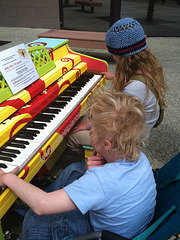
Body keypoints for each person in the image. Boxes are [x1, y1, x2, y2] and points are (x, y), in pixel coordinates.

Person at [0, 91, 156, 240]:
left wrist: (7, 178)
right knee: (76, 169)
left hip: (99, 235)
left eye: (92, 130)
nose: (89, 133)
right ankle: (38, 196)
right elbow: (107, 186)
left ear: (106, 144)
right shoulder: (140, 158)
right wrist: (92, 173)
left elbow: (42, 205)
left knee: (36, 216)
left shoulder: (101, 181)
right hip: (126, 230)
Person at [65, 17, 168, 154]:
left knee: (71, 135)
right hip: (136, 128)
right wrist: (115, 77)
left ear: (119, 55)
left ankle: (98, 161)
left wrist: (90, 125)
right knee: (85, 118)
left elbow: (117, 124)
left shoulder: (134, 89)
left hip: (128, 141)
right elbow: (135, 82)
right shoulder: (148, 68)